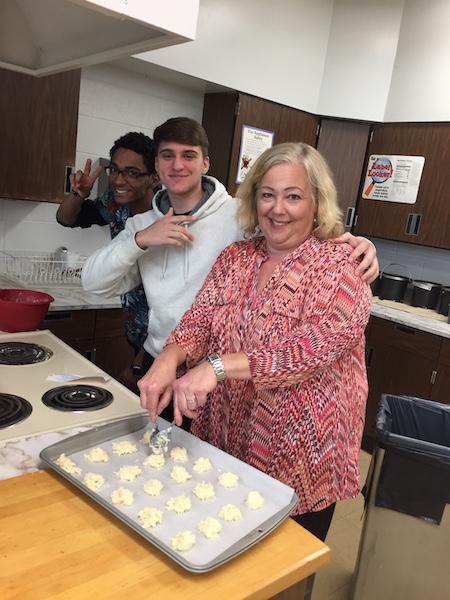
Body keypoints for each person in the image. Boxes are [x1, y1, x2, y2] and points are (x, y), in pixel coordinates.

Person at [138, 142, 372, 544]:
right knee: (217, 544)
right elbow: (199, 321)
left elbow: (307, 351)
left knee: (281, 569)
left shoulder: (340, 268)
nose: (277, 209)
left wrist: (215, 368)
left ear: (317, 201)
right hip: (226, 443)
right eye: (267, 194)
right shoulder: (236, 258)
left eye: (293, 196)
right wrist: (167, 359)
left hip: (300, 457)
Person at [82, 117, 378, 388]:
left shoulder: (240, 215)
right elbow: (94, 283)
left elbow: (299, 235)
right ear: (156, 166)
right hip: (165, 359)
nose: (177, 165)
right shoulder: (144, 226)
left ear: (205, 163)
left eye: (189, 155)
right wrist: (142, 239)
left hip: (228, 373)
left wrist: (355, 243)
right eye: (167, 156)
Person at [57, 132, 159, 369]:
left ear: (154, 177)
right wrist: (79, 194)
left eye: (131, 173)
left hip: (162, 342)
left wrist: (141, 359)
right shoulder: (114, 204)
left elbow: (179, 299)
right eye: (115, 170)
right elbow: (66, 219)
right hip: (134, 330)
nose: (119, 181)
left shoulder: (165, 217)